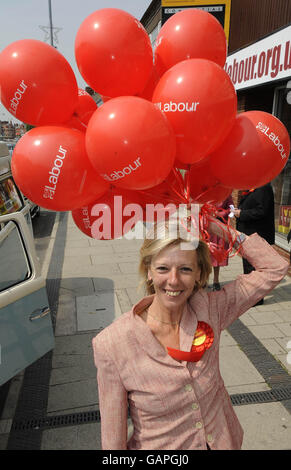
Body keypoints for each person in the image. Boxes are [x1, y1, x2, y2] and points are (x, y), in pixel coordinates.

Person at [92, 214, 289, 450]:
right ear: (149, 271)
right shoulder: (112, 344)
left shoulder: (210, 309)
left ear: (198, 274)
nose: (173, 281)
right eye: (163, 268)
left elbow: (275, 267)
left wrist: (219, 229)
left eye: (185, 269)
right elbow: (112, 444)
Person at [233, 183, 275, 305]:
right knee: (248, 266)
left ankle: (256, 298)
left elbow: (262, 211)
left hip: (257, 235)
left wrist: (241, 214)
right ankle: (251, 295)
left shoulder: (263, 188)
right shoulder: (254, 187)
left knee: (254, 268)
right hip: (248, 234)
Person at [210, 194, 234, 291]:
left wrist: (221, 214)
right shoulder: (207, 190)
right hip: (207, 226)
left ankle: (216, 281)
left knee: (217, 255)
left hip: (220, 227)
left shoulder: (226, 193)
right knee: (205, 256)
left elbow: (231, 208)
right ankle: (202, 280)